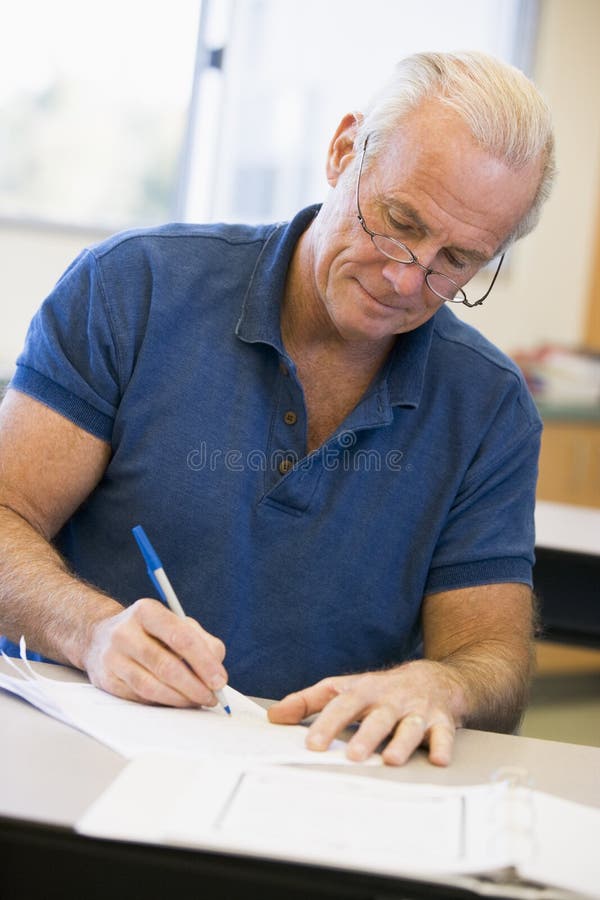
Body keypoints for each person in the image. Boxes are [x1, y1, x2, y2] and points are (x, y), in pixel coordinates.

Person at [0, 50, 555, 767]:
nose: (406, 278)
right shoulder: (134, 289)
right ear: (343, 151)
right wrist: (91, 631)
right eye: (399, 221)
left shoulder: (489, 407)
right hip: (85, 745)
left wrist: (443, 683)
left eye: (458, 261)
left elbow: (491, 655)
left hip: (321, 778)